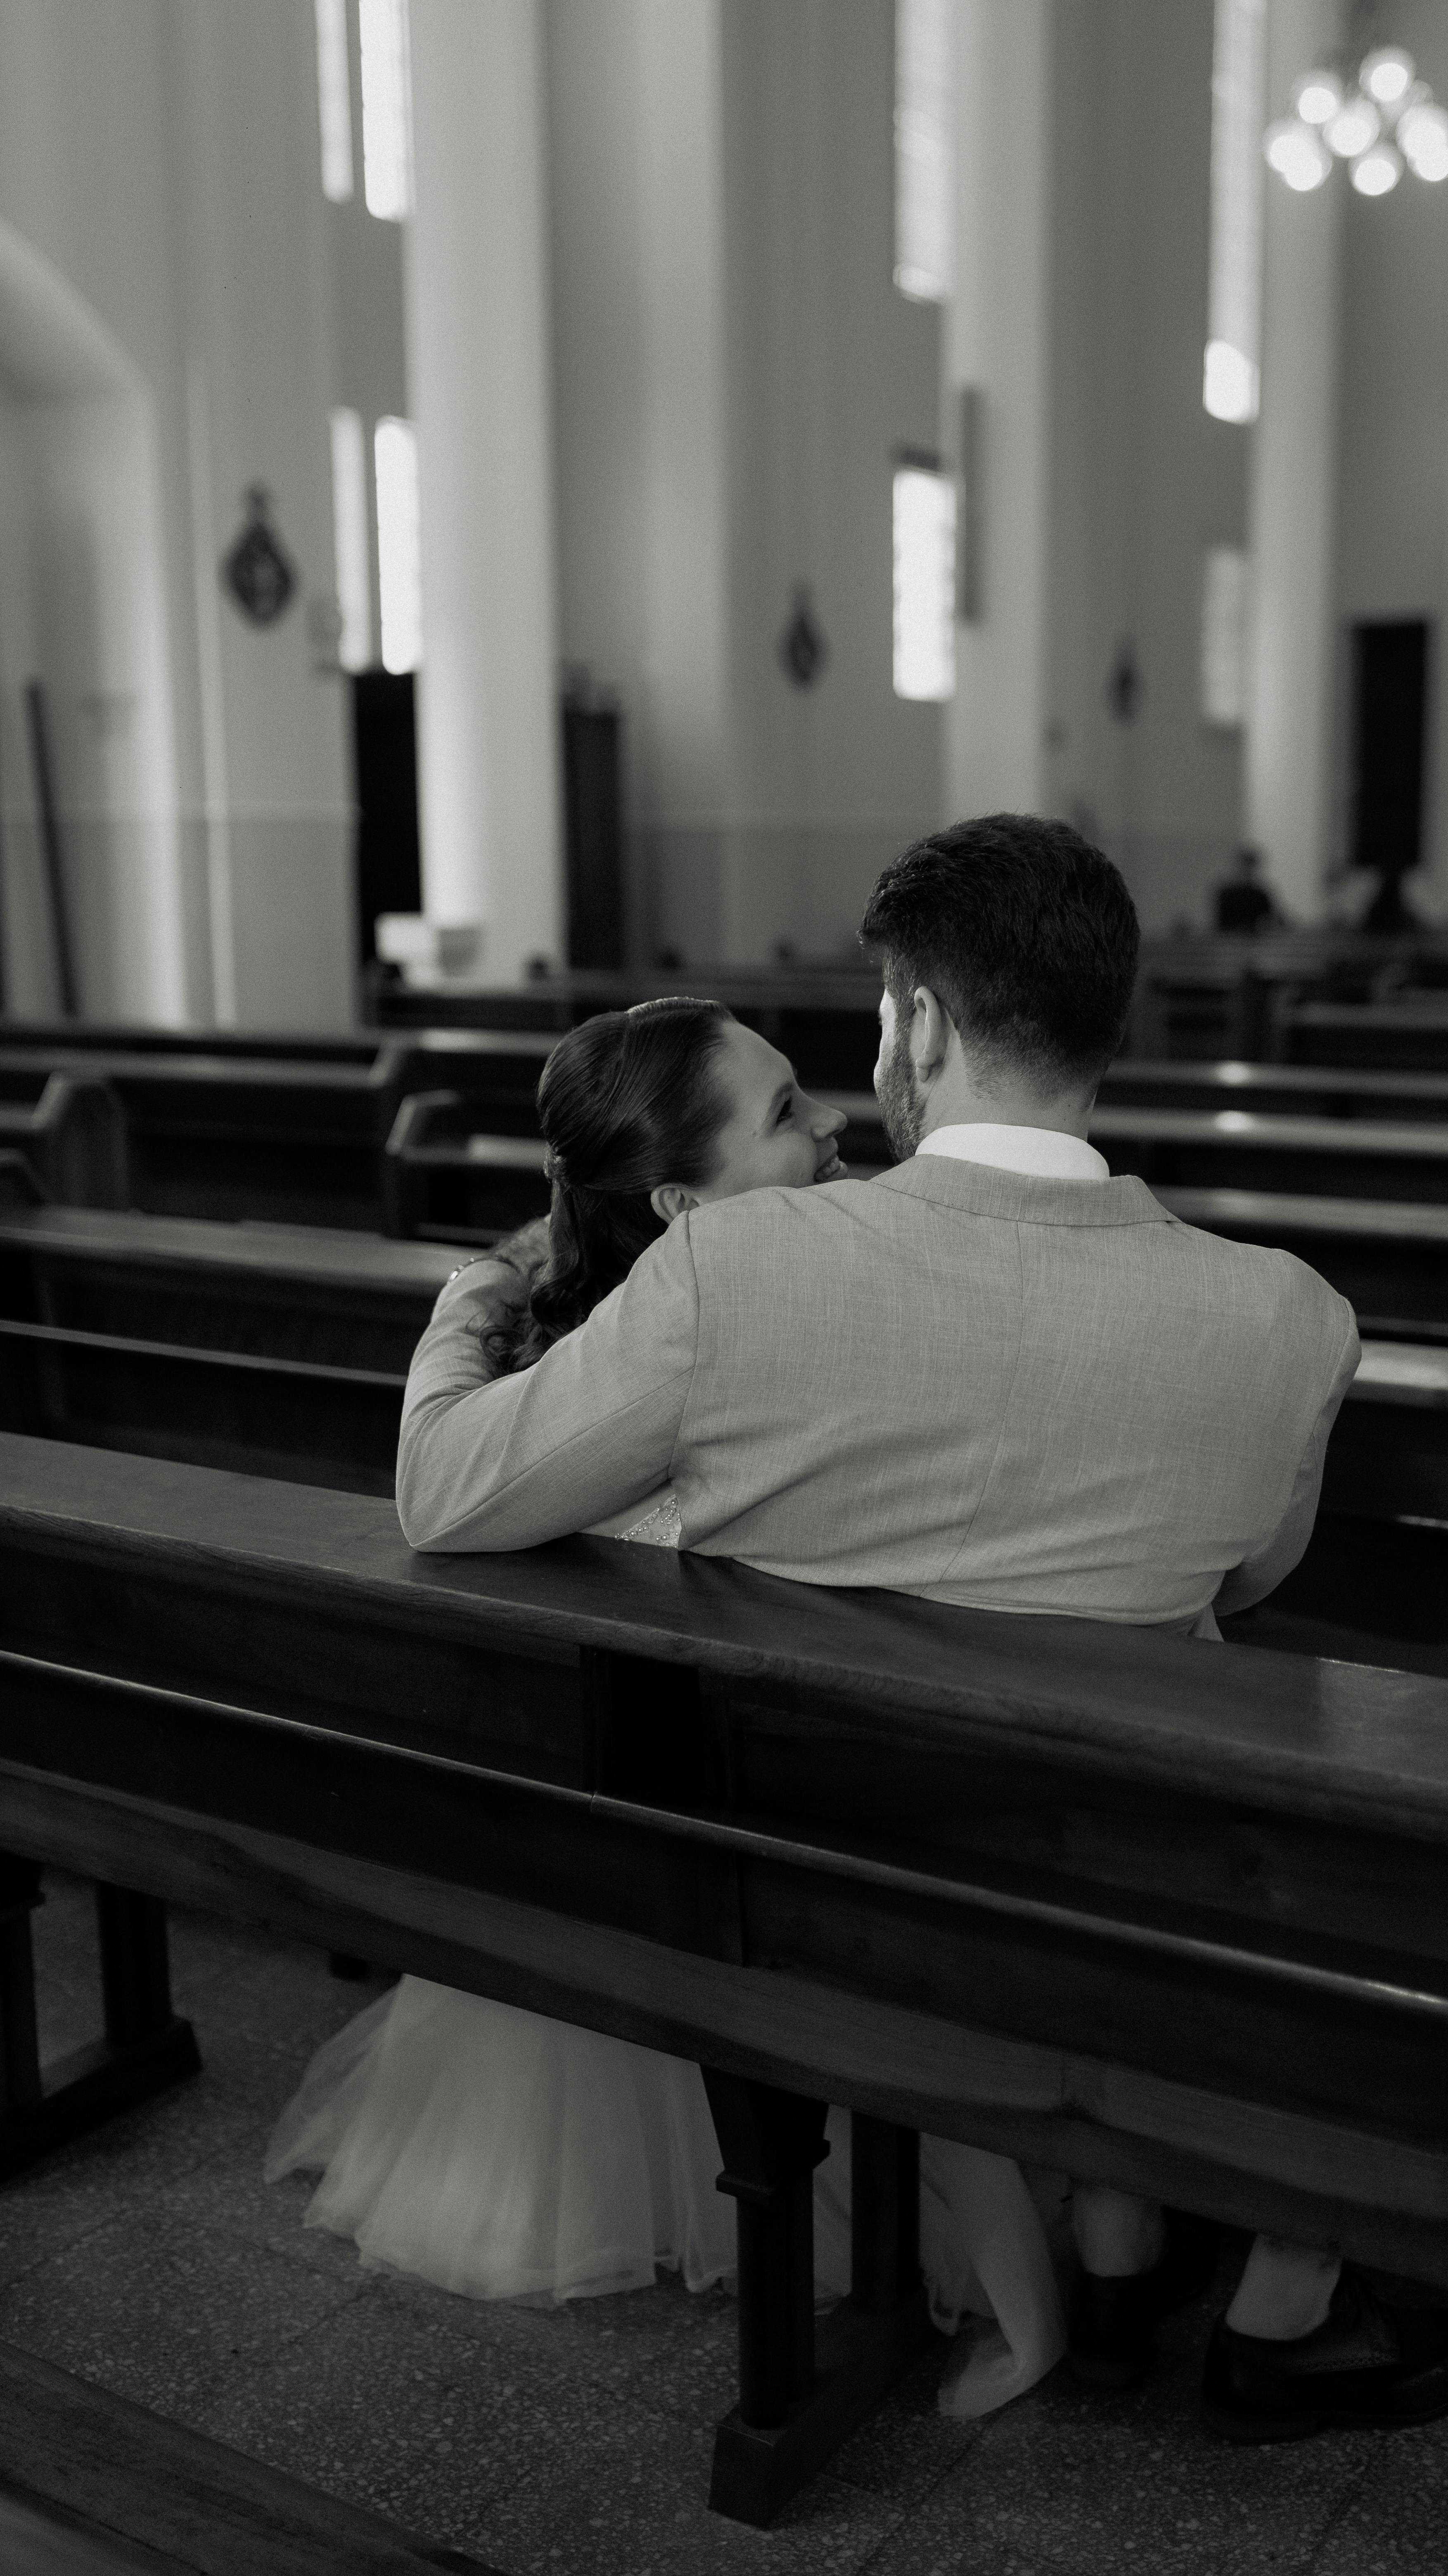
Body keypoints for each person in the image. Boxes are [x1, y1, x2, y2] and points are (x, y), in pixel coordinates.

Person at [390, 814, 1448, 2441]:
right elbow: (1247, 1584)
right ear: (1109, 1025)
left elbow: (445, 1490)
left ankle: (1117, 2243)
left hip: (834, 1883)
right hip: (1147, 1893)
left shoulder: (733, 1270)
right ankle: (1221, 2262)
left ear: (914, 1022)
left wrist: (458, 1305)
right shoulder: (1289, 1317)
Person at [269, 997, 1066, 2421]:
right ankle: (1031, 2268)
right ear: (686, 1200)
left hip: (679, 1776)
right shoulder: (685, 1328)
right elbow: (445, 1494)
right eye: (780, 1112)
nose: (825, 1119)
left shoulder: (644, 1300)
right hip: (769, 1788)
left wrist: (481, 1289)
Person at [1213, 844, 1282, 936]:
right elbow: (1220, 924)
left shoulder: (1260, 894)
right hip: (1231, 941)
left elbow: (1272, 919)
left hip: (1252, 942)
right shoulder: (1226, 893)